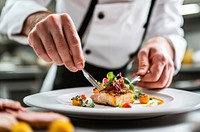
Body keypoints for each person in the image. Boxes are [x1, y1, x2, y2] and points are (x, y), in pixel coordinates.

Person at [0, 0, 187, 91]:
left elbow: (169, 28)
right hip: (63, 85)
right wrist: (36, 19)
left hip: (127, 87)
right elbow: (14, 7)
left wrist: (165, 45)